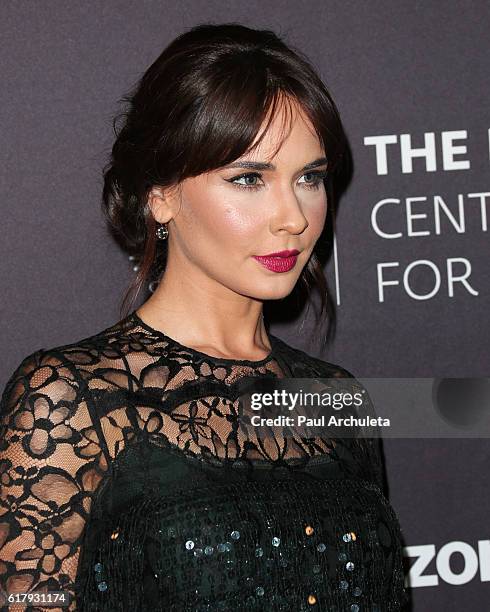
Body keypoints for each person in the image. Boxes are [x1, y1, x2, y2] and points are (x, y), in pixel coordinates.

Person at [0, 23, 409, 612]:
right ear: (160, 194)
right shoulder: (69, 400)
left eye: (309, 178)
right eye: (248, 179)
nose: (293, 217)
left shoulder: (336, 397)